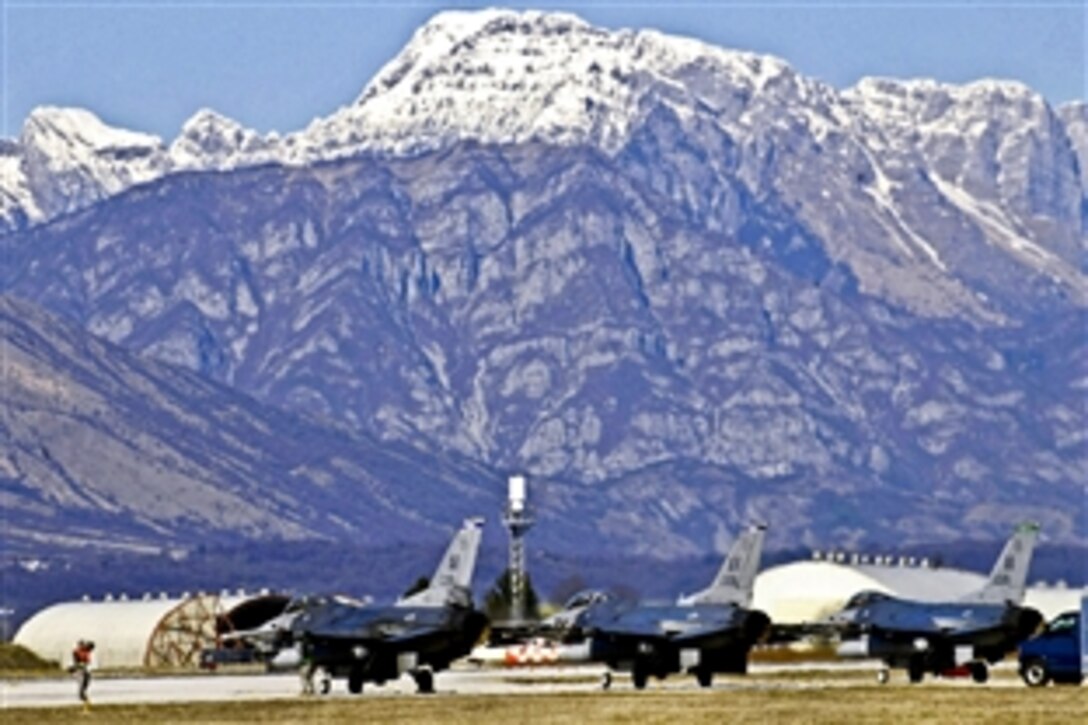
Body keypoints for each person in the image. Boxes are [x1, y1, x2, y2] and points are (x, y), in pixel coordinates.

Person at [69, 640, 95, 711]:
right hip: (82, 673)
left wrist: (74, 667)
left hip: (84, 674)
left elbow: (82, 664)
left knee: (81, 693)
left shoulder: (85, 654)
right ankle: (87, 704)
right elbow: (77, 662)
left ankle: (86, 707)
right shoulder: (79, 652)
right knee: (81, 693)